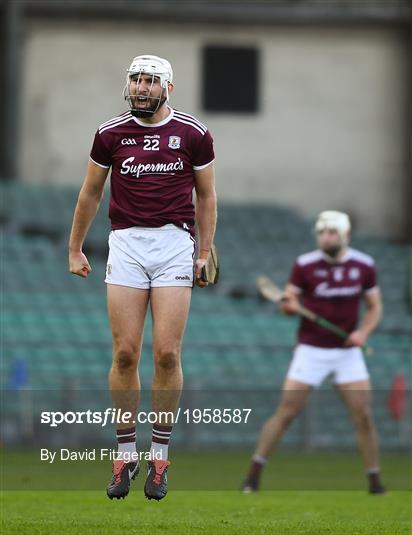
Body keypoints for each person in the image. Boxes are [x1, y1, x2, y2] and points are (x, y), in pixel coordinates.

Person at [68, 55, 217, 501]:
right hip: (127, 245)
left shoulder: (194, 134)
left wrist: (204, 251)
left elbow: (207, 197)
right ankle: (125, 453)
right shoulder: (109, 134)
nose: (141, 87)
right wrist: (75, 247)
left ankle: (160, 457)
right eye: (136, 79)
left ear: (168, 88)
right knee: (126, 353)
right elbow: (91, 192)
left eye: (151, 81)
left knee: (168, 355)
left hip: (174, 243)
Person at [242, 211, 385, 494]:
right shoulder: (304, 265)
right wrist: (288, 306)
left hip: (347, 352)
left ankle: (374, 480)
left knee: (364, 415)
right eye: (322, 232)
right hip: (311, 349)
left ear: (345, 235)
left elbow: (375, 307)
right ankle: (253, 475)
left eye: (332, 232)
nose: (326, 237)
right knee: (287, 412)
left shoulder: (364, 265)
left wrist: (362, 333)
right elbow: (288, 302)